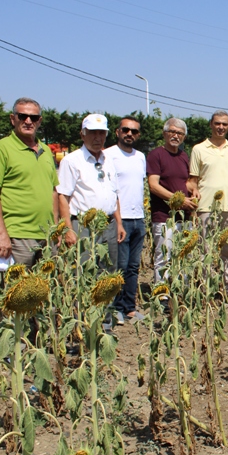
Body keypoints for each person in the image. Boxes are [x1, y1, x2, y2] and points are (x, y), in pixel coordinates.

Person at [0, 97, 59, 267]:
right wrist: (1, 234)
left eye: (34, 118)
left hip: (46, 235)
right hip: (18, 236)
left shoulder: (45, 150)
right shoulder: (1, 148)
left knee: (45, 289)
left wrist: (55, 229)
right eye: (22, 116)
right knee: (16, 290)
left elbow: (52, 191)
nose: (28, 121)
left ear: (40, 121)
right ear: (12, 119)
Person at [188, 110, 228, 300]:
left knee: (227, 251)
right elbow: (192, 180)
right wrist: (193, 200)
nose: (221, 127)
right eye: (217, 124)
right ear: (211, 125)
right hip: (205, 207)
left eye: (224, 124)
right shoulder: (199, 149)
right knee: (206, 250)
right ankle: (207, 290)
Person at [57, 114, 125, 269]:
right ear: (83, 134)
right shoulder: (72, 161)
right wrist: (67, 229)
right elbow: (63, 197)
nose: (97, 137)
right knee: (85, 271)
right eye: (93, 132)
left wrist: (119, 223)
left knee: (109, 273)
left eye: (101, 133)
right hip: (84, 227)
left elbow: (114, 195)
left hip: (109, 225)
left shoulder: (108, 160)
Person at [105, 116, 146, 324]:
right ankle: (115, 309)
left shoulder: (140, 157)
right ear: (118, 132)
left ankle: (129, 307)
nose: (130, 134)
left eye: (134, 131)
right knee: (117, 267)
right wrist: (118, 220)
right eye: (126, 130)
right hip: (119, 220)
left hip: (138, 217)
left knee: (132, 266)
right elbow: (110, 190)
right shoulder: (108, 155)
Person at [147, 118, 197, 283]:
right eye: (172, 132)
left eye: (180, 133)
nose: (176, 136)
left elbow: (187, 182)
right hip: (164, 216)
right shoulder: (156, 155)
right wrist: (179, 200)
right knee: (164, 256)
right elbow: (153, 186)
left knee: (184, 255)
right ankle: (162, 295)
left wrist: (194, 190)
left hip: (184, 216)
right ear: (164, 133)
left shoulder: (183, 156)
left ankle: (182, 292)